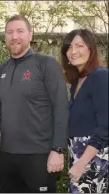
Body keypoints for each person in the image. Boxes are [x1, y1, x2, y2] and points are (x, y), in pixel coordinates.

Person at [0, 15, 69, 192]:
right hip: (7, 156)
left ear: (30, 34)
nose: (14, 36)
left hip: (39, 156)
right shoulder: (2, 69)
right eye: (10, 32)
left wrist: (58, 149)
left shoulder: (46, 64)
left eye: (20, 31)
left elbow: (61, 107)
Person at [61, 29, 108, 193]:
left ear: (91, 48)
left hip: (93, 157)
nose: (73, 51)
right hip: (77, 153)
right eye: (69, 47)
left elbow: (105, 126)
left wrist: (82, 163)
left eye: (79, 46)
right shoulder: (77, 81)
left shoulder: (101, 77)